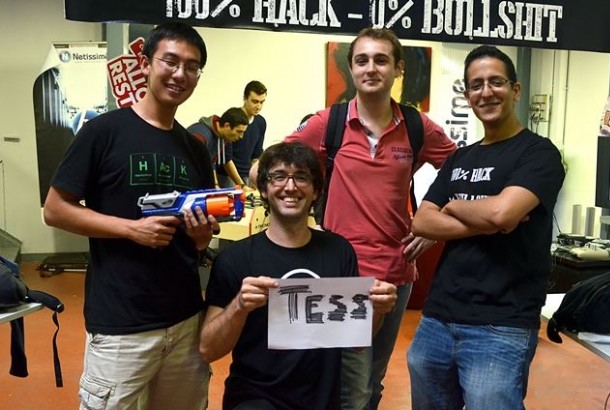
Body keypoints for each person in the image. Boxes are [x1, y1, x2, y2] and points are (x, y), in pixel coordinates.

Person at [280, 27, 456, 409]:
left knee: (372, 382)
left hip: (395, 272)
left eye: (381, 60)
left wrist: (434, 227)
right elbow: (273, 167)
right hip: (338, 272)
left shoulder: (417, 127)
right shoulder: (328, 123)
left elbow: (461, 172)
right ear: (351, 68)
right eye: (362, 60)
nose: (370, 68)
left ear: (398, 68)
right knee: (349, 386)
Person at [43, 22, 216, 410]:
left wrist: (201, 238)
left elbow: (199, 234)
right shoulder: (103, 132)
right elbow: (55, 209)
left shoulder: (195, 149)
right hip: (121, 323)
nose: (180, 74)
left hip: (186, 319)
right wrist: (131, 230)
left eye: (192, 67)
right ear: (146, 64)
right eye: (170, 61)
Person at [407, 45, 566, 410]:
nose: (486, 92)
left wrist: (455, 206)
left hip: (502, 324)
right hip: (438, 317)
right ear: (467, 96)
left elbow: (501, 214)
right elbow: (422, 220)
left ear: (515, 90)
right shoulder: (460, 157)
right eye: (476, 85)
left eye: (496, 82)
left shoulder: (538, 154)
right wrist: (488, 219)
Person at [199, 141, 397, 410]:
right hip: (256, 400)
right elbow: (208, 349)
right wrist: (239, 306)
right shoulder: (235, 259)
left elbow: (356, 341)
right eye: (279, 176)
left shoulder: (339, 251)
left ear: (316, 191)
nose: (290, 187)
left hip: (321, 401)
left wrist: (378, 310)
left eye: (301, 177)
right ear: (264, 189)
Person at [188, 107, 250, 189]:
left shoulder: (223, 137)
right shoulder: (201, 136)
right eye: (239, 132)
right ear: (227, 126)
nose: (241, 136)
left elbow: (212, 163)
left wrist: (216, 185)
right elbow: (191, 165)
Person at [232, 80, 268, 186]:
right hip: (227, 176)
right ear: (245, 98)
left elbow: (256, 155)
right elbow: (226, 157)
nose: (258, 106)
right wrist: (240, 184)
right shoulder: (232, 118)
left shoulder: (261, 122)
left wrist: (254, 180)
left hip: (247, 175)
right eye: (255, 101)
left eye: (261, 102)